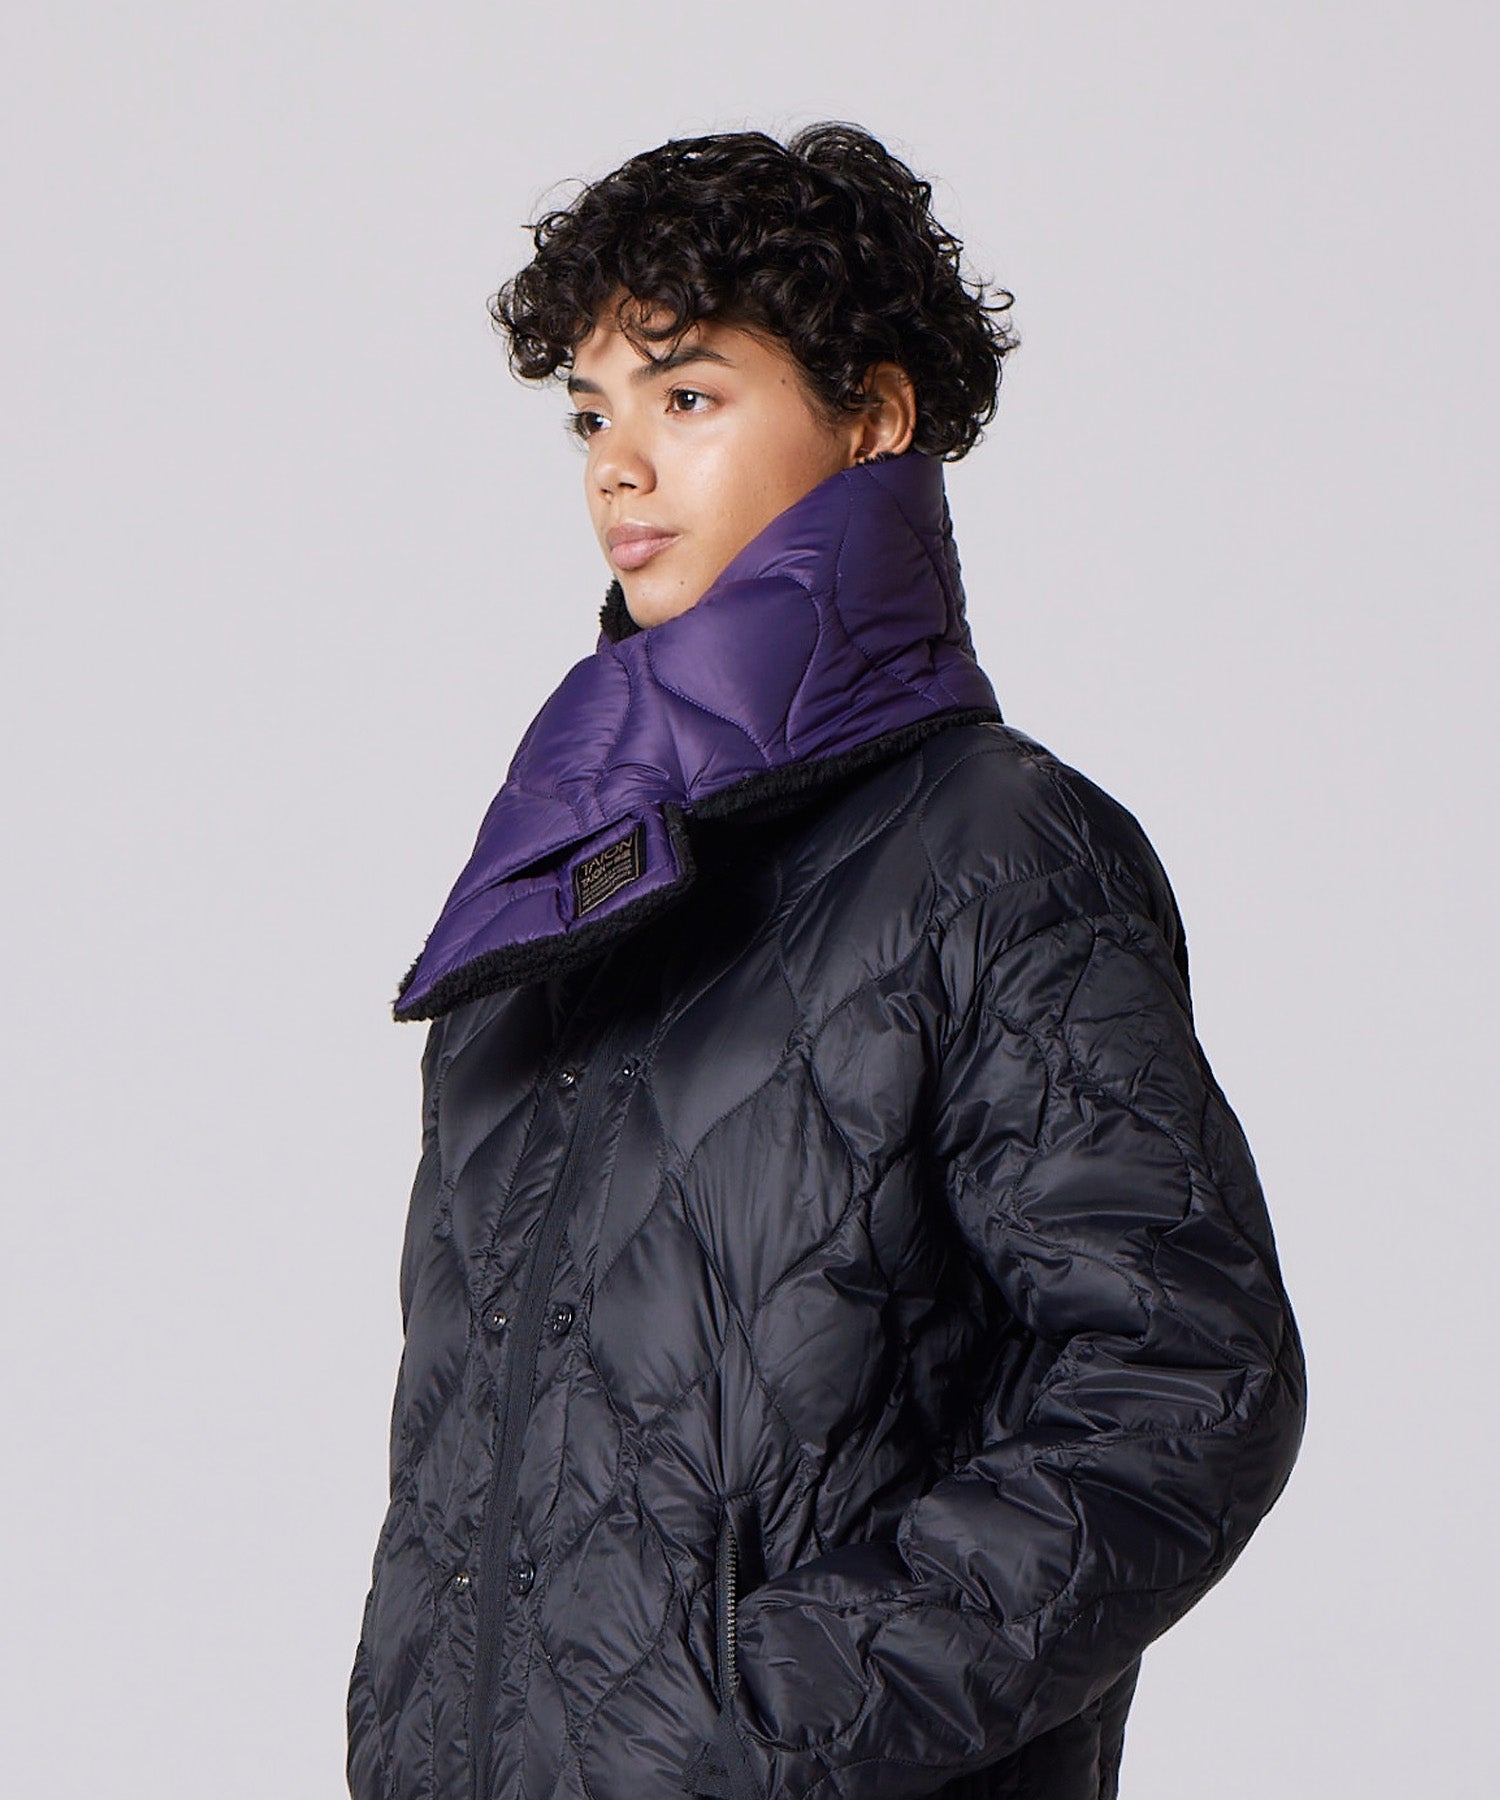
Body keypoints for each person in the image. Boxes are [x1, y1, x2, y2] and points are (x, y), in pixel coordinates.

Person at [347, 124, 1306, 1800]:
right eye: (592, 413)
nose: (618, 468)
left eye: (687, 395)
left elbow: (1184, 1376)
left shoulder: (996, 848)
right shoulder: (557, 888)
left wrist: (767, 1717)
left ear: (873, 419)